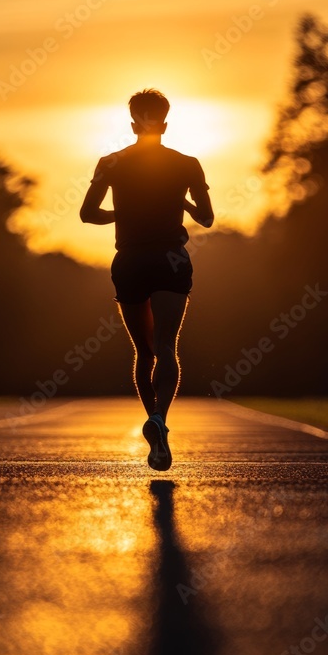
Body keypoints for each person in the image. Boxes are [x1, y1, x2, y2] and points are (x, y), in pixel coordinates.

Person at [79, 88, 214, 471]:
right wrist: (180, 202)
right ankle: (160, 420)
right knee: (168, 347)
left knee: (144, 352)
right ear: (166, 124)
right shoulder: (188, 163)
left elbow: (88, 215)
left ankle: (155, 428)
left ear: (133, 123)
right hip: (170, 259)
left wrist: (125, 214)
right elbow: (206, 219)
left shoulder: (111, 161)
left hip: (131, 260)